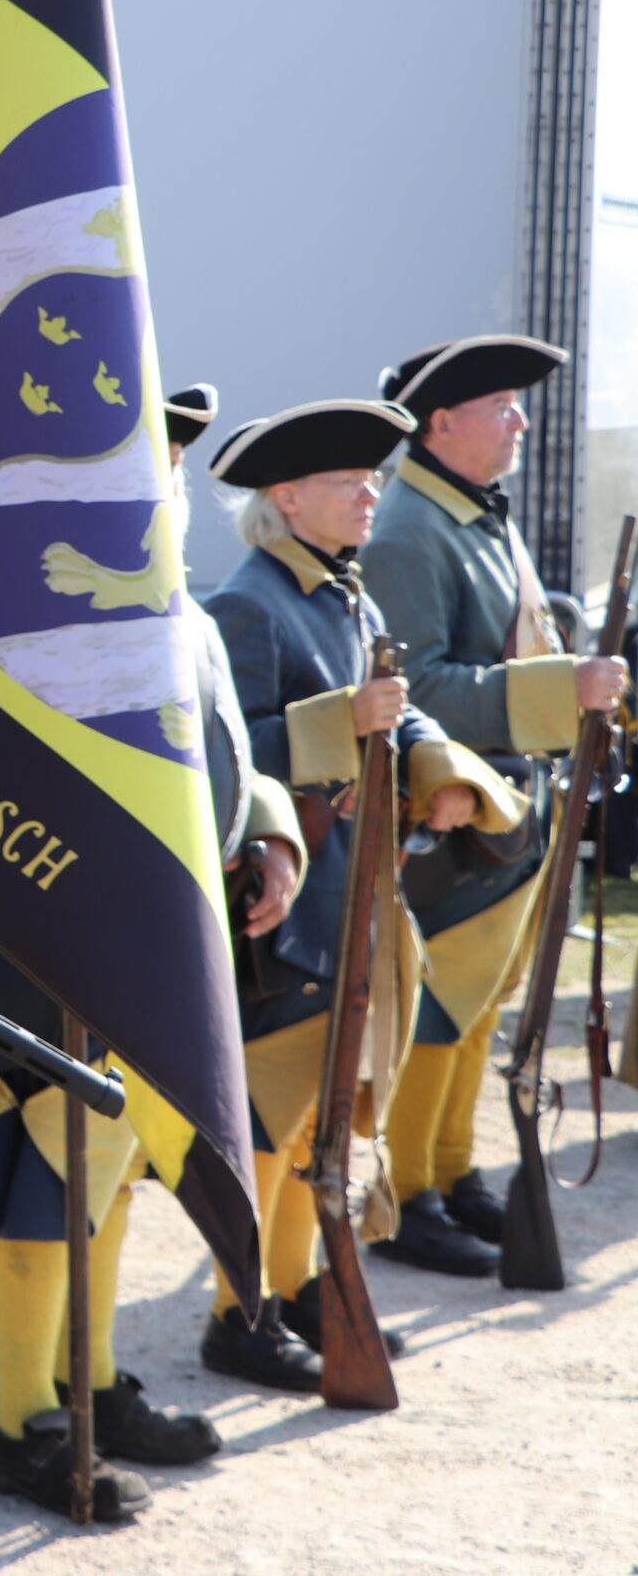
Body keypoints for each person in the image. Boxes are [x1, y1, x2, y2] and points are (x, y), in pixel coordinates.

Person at [0, 383, 298, 1520]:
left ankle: (84, 1381)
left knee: (119, 1169)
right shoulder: (26, 604)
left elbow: (217, 758)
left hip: (163, 947)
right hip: (53, 944)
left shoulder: (180, 612)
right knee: (40, 1182)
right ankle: (20, 1426)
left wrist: (270, 833)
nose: (163, 493)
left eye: (172, 472)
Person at [198, 397, 523, 1382]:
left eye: (373, 478)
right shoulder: (251, 602)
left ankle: (296, 1291)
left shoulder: (347, 593)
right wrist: (346, 718)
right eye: (348, 481)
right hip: (290, 904)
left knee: (322, 1117)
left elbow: (400, 713)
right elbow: (228, 754)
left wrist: (447, 773)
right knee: (271, 1113)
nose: (369, 493)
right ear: (285, 496)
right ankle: (237, 1313)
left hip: (356, 892)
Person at [363, 335, 630, 1275]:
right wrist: (567, 686)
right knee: (437, 1004)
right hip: (459, 816)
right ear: (442, 422)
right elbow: (421, 683)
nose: (520, 421)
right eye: (503, 407)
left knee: (484, 1004)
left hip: (508, 806)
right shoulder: (407, 531)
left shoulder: (472, 516)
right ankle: (409, 1189)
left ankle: (451, 1166)